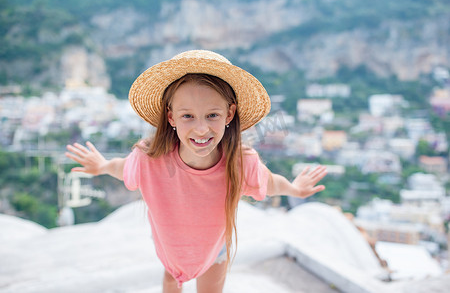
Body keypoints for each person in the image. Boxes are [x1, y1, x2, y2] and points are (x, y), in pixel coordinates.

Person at [65, 50, 327, 293]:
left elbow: (269, 183)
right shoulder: (151, 159)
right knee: (171, 279)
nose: (201, 129)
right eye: (188, 116)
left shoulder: (239, 162)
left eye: (212, 115)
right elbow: (123, 167)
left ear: (229, 114)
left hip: (215, 250)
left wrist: (293, 188)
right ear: (171, 118)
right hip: (171, 249)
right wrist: (101, 166)